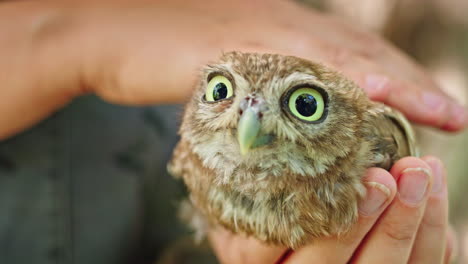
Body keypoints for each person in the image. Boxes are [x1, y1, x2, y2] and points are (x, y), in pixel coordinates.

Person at [0, 0, 465, 263]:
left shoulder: (370, 146)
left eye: (305, 104)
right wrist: (63, 40)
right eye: (220, 90)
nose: (248, 124)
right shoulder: (189, 149)